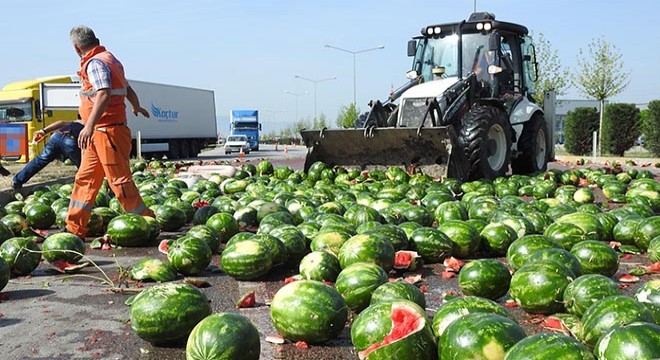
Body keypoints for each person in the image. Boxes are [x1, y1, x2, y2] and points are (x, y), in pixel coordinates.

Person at [65, 25, 153, 238]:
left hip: (107, 132)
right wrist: (136, 105)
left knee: (119, 181)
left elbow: (103, 94)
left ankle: (146, 223)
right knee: (85, 179)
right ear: (97, 39)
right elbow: (127, 88)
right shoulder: (110, 59)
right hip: (100, 133)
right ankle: (74, 228)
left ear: (77, 48)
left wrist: (88, 125)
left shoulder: (95, 63)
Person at [11, 118, 84, 189]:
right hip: (72, 141)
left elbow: (61, 122)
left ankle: (17, 181)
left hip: (56, 136)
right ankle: (85, 188)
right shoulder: (91, 124)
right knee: (84, 167)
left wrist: (43, 131)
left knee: (40, 160)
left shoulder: (79, 121)